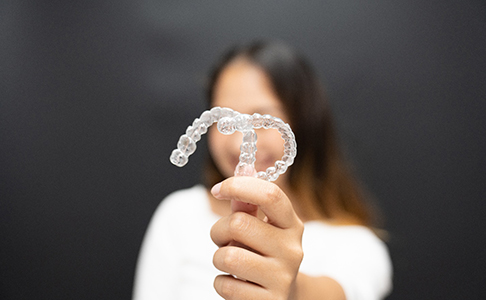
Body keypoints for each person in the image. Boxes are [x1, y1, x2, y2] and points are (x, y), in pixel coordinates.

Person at [133, 40, 392, 300]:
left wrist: (292, 291)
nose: (238, 144)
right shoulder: (178, 215)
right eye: (224, 121)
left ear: (302, 123)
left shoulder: (357, 247)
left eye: (263, 119)